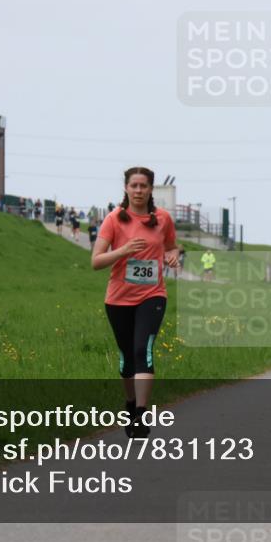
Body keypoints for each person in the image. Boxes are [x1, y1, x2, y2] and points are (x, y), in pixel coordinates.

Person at [91, 166, 179, 439]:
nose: (139, 191)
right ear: (126, 188)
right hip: (118, 299)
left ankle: (141, 412)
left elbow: (173, 246)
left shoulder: (163, 219)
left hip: (152, 296)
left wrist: (173, 255)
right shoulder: (115, 220)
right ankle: (130, 403)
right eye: (134, 186)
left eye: (144, 186)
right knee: (127, 358)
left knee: (143, 350)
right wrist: (123, 251)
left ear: (151, 189)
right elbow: (96, 261)